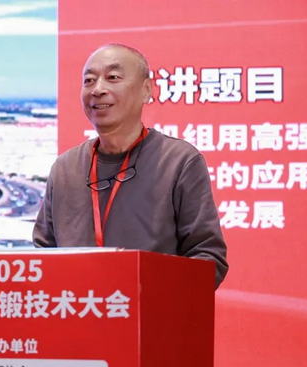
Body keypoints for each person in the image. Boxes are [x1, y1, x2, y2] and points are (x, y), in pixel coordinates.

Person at [33, 43, 228, 287]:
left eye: (113, 77)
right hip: (78, 307)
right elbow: (43, 254)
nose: (98, 89)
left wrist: (144, 295)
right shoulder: (65, 168)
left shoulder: (178, 161)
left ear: (146, 90)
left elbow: (208, 259)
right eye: (89, 81)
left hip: (151, 309)